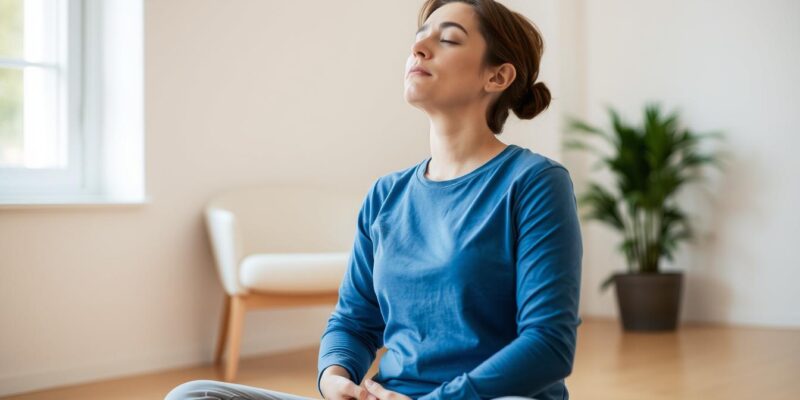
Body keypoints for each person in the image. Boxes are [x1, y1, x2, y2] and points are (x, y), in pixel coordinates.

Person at [165, 1, 582, 399]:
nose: (419, 48)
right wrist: (335, 377)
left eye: (449, 40)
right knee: (195, 395)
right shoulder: (386, 195)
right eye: (419, 37)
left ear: (498, 77)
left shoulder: (534, 183)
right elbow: (353, 321)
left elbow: (548, 343)